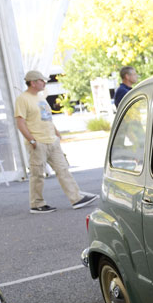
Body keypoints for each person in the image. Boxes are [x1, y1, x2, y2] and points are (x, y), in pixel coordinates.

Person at [15, 70, 97, 214]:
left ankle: (76, 198)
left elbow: (46, 117)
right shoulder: (23, 99)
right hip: (38, 142)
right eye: (41, 80)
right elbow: (20, 122)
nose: (44, 83)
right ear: (33, 82)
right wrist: (32, 140)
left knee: (63, 169)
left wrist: (56, 133)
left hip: (51, 141)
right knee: (38, 174)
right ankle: (36, 204)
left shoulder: (41, 97)